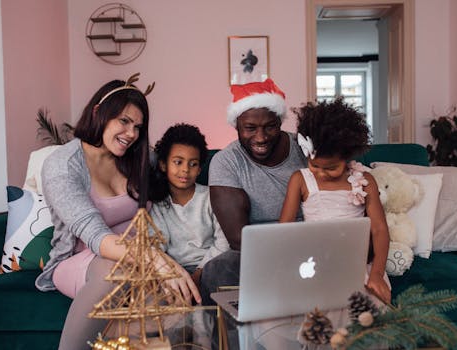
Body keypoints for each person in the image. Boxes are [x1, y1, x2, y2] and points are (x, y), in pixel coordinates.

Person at [35, 74, 195, 350]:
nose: (131, 134)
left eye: (137, 126)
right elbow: (97, 238)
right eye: (123, 121)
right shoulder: (62, 166)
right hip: (84, 261)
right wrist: (156, 259)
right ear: (98, 112)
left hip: (138, 262)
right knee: (116, 271)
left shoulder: (140, 158)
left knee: (177, 311)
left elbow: (183, 167)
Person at [200, 79, 307, 305]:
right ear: (236, 125)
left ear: (280, 122)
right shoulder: (226, 162)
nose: (261, 138)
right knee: (218, 270)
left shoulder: (304, 147)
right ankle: (233, 340)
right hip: (254, 251)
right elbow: (239, 239)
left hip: (310, 240)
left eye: (270, 126)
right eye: (250, 128)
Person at [279, 97, 391, 304]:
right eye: (315, 166)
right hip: (313, 264)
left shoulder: (366, 181)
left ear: (346, 157)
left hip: (357, 266)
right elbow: (284, 230)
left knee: (366, 316)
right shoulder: (300, 180)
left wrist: (376, 274)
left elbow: (380, 230)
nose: (321, 174)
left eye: (330, 168)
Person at [148, 123, 230, 301]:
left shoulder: (210, 197)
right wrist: (175, 276)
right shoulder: (158, 205)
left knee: (220, 272)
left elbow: (223, 241)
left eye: (193, 164)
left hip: (209, 267)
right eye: (178, 162)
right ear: (163, 164)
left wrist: (198, 275)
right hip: (171, 271)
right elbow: (156, 247)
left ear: (200, 169)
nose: (185, 170)